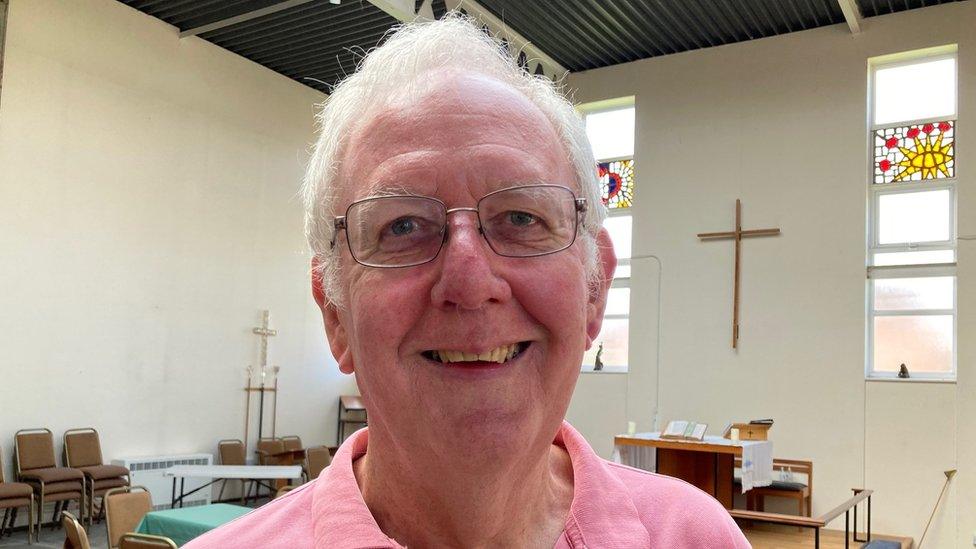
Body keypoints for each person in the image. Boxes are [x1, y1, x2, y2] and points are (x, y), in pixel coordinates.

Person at [187, 14, 750, 549]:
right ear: (335, 312)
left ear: (595, 287)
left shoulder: (696, 535)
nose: (469, 281)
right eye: (402, 225)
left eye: (522, 218)